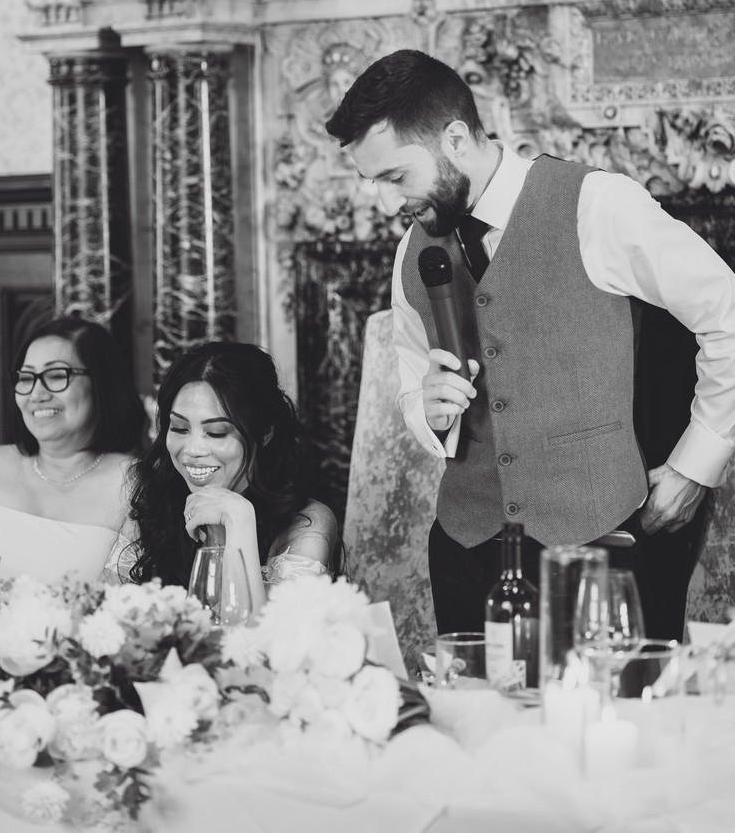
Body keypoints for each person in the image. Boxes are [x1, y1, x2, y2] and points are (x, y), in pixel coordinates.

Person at [325, 48, 735, 638]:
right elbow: (414, 390)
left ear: (456, 139)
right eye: (373, 183)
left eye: (395, 177)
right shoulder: (410, 252)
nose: (388, 204)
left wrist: (695, 465)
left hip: (599, 547)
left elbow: (725, 312)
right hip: (465, 552)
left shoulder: (598, 205)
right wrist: (430, 411)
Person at [127, 341, 339, 610]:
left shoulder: (309, 523)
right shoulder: (151, 505)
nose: (192, 450)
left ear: (264, 432)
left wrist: (238, 520)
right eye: (179, 428)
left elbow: (259, 636)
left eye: (216, 433)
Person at [0, 316, 147, 585]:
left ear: (101, 383)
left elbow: (126, 600)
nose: (36, 394)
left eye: (56, 375)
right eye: (26, 377)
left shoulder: (134, 482)